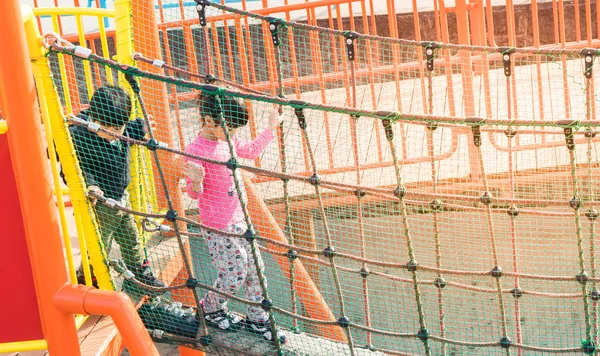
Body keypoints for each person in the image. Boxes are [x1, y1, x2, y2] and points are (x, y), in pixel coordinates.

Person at [183, 92, 286, 343]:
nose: (231, 133)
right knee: (233, 274)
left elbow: (250, 151)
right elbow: (193, 193)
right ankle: (211, 308)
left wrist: (270, 129)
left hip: (241, 218)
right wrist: (196, 181)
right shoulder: (196, 150)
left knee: (255, 270)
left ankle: (256, 317)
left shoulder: (228, 138)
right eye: (227, 128)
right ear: (209, 121)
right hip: (219, 225)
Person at [70, 85, 166, 289]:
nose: (115, 134)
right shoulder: (81, 136)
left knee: (131, 238)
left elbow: (130, 128)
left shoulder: (120, 130)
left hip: (121, 199)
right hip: (101, 204)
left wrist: (143, 127)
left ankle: (139, 272)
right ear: (95, 121)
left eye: (118, 128)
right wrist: (92, 186)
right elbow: (78, 166)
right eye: (109, 129)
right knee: (100, 243)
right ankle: (89, 277)